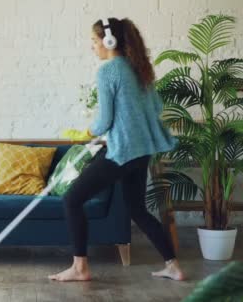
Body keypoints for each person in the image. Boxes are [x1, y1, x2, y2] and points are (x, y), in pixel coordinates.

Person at [49, 18, 186, 282]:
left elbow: (104, 121)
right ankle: (174, 266)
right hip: (142, 151)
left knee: (72, 199)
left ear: (108, 41)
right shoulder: (139, 69)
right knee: (137, 208)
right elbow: (156, 107)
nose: (92, 46)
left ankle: (80, 268)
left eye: (93, 40)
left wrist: (85, 133)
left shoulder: (108, 71)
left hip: (121, 152)